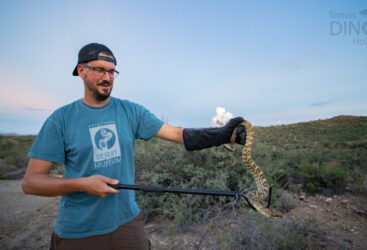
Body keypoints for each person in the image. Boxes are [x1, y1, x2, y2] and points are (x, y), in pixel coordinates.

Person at [22, 43, 245, 250]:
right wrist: (83, 184)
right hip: (79, 230)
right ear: (81, 71)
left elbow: (177, 134)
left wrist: (223, 135)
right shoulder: (61, 119)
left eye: (111, 72)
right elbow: (32, 182)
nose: (107, 77)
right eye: (99, 70)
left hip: (127, 223)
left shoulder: (130, 112)